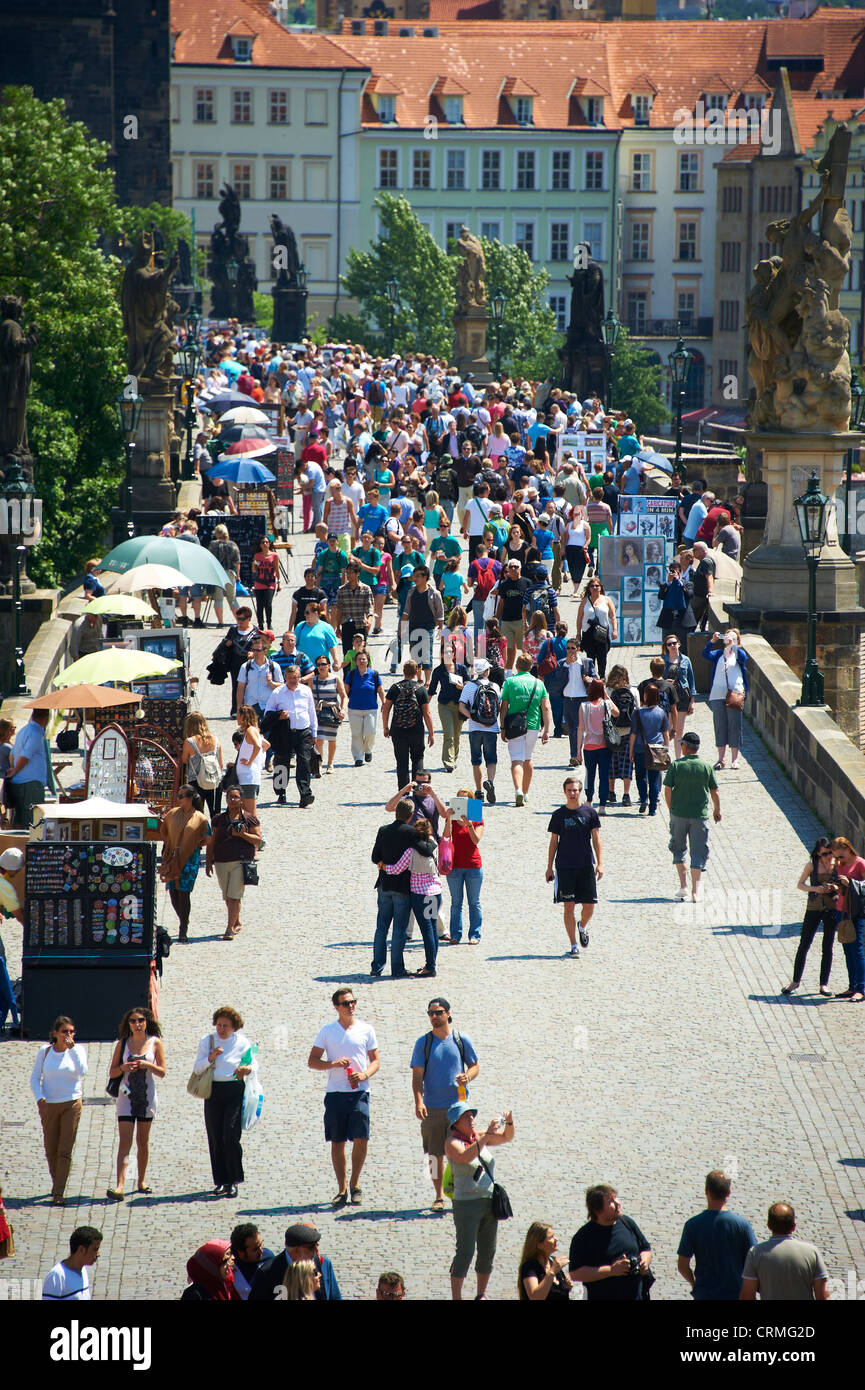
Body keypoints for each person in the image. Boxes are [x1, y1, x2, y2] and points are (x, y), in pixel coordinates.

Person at [307, 987, 380, 1207]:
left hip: (360, 1092)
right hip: (336, 1092)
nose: (351, 1006)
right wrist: (333, 1064)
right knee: (337, 1141)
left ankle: (355, 1184)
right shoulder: (327, 1031)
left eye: (353, 1002)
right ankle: (341, 1188)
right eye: (346, 1003)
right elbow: (312, 1061)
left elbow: (376, 1060)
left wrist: (365, 1074)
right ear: (336, 1007)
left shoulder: (366, 1029)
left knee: (361, 1138)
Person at [410, 998, 479, 1211]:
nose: (434, 1017)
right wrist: (419, 1102)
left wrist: (467, 1077)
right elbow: (417, 1076)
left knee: (460, 1152)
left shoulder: (461, 1039)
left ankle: (461, 1192)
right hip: (432, 1108)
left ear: (448, 1013)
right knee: (434, 1155)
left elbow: (474, 1066)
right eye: (430, 1013)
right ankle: (438, 1195)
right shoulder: (424, 1042)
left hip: (458, 1107)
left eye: (438, 1012)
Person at [445, 1100, 515, 1301]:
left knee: (487, 1251)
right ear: (456, 1122)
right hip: (466, 1204)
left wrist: (508, 1123)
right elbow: (465, 1157)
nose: (472, 1119)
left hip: (489, 1201)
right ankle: (456, 1296)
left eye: (472, 1115)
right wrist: (485, 1137)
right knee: (465, 1252)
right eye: (466, 1116)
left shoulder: (479, 1136)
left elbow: (507, 1137)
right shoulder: (451, 1142)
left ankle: (480, 1294)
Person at [189, 1006, 254, 1199]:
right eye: (219, 1025)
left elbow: (252, 1064)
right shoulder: (207, 1041)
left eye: (226, 1026)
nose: (221, 1029)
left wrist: (246, 1069)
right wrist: (211, 1057)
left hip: (234, 1089)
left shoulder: (242, 1043)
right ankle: (220, 1181)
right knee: (216, 1137)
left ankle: (234, 1180)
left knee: (230, 1134)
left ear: (234, 1027)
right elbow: (197, 1068)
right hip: (213, 1090)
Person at [105, 1007, 166, 1200]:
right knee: (125, 1141)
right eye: (133, 1021)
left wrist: (147, 1065)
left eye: (140, 1020)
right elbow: (112, 1072)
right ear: (128, 1024)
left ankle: (140, 1180)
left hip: (146, 1097)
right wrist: (123, 1067)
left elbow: (162, 1072)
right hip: (126, 1097)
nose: (137, 1024)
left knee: (142, 1141)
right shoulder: (122, 1044)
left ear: (146, 1022)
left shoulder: (155, 1043)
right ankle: (121, 1185)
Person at [30, 1015, 88, 1205]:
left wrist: (71, 1051)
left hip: (71, 1103)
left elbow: (82, 1071)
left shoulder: (78, 1051)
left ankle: (58, 1192)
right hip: (49, 1105)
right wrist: (40, 1099)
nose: (69, 1035)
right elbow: (34, 1078)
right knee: (51, 1149)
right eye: (65, 1032)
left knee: (64, 1150)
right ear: (55, 1033)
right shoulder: (45, 1052)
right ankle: (57, 1183)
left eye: (72, 1031)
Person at [677, 1171, 757, 1301]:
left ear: (706, 1190)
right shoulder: (742, 1225)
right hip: (735, 1294)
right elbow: (754, 1260)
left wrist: (694, 1283)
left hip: (704, 1294)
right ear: (728, 1193)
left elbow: (682, 1266)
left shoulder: (692, 1225)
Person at [546, 776, 602, 958]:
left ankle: (582, 926)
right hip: (564, 866)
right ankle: (573, 944)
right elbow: (553, 841)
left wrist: (600, 863)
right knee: (568, 906)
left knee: (589, 906)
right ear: (564, 792)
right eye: (569, 790)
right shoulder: (558, 815)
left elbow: (596, 838)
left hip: (586, 865)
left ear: (580, 791)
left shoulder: (590, 813)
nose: (572, 793)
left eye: (575, 790)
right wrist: (549, 867)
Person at [663, 731, 721, 903]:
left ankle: (684, 887)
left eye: (682, 744)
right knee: (698, 852)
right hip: (699, 816)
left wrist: (671, 807)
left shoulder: (677, 765)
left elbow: (667, 789)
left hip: (679, 814)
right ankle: (696, 892)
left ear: (686, 747)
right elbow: (714, 791)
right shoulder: (706, 766)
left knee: (679, 850)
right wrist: (717, 810)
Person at [568, 1185, 653, 1302]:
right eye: (611, 1201)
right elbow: (575, 1274)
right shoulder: (584, 1237)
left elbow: (646, 1249)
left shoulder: (627, 1222)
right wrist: (611, 1270)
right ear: (598, 1210)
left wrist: (645, 1262)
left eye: (616, 1197)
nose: (617, 1203)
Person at [780, 838, 839, 997]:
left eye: (831, 853)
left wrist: (835, 887)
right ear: (818, 853)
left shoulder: (837, 865)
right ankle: (795, 981)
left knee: (827, 946)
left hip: (831, 908)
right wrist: (815, 888)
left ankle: (823, 984)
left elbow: (844, 884)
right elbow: (800, 884)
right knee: (804, 943)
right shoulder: (812, 865)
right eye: (825, 854)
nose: (829, 856)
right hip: (813, 907)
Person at [740, 1204, 830, 1302]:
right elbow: (822, 1296)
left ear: (769, 1225)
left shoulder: (756, 1253)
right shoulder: (812, 1252)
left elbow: (747, 1296)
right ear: (793, 1226)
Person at [205, 785, 262, 939]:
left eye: (236, 797)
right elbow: (212, 841)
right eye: (230, 796)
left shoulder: (250, 819)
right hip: (221, 861)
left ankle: (229, 928)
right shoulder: (218, 820)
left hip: (241, 861)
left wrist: (243, 835)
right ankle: (236, 920)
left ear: (242, 800)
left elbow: (258, 840)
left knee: (235, 895)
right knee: (228, 897)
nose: (233, 799)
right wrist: (209, 860)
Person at [370, 797, 417, 978]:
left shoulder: (383, 830)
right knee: (399, 929)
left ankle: (377, 967)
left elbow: (375, 857)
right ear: (411, 816)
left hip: (384, 884)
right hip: (402, 887)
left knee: (381, 928)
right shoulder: (411, 832)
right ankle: (397, 968)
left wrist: (382, 864)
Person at [262, 663, 318, 808]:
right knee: (282, 762)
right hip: (284, 732)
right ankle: (281, 792)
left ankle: (305, 794)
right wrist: (279, 716)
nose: (294, 680)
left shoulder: (306, 691)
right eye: (291, 677)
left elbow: (312, 712)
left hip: (303, 732)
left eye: (296, 677)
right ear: (285, 677)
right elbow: (267, 713)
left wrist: (314, 732)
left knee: (304, 763)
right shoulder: (277, 693)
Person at [159, 786, 210, 942]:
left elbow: (208, 838)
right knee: (173, 891)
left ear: (190, 798)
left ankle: (183, 928)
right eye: (178, 795)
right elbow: (164, 831)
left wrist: (205, 856)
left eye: (181, 796)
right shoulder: (172, 814)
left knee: (184, 891)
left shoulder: (200, 818)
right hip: (172, 856)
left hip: (190, 858)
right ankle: (183, 919)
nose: (178, 798)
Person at [500, 653, 550, 806]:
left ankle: (518, 790)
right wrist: (547, 729)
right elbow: (546, 708)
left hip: (514, 725)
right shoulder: (539, 683)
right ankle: (526, 793)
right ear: (530, 667)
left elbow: (503, 707)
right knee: (528, 759)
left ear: (516, 666)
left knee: (516, 759)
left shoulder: (509, 682)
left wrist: (502, 727)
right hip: (533, 725)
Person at [249, 1223, 342, 1302]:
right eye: (311, 1247)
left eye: (316, 1245)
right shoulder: (268, 1273)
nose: (316, 1250)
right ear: (296, 1250)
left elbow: (334, 1296)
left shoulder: (320, 1262)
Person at [382, 659, 435, 787]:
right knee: (418, 758)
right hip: (416, 730)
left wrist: (386, 727)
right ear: (417, 672)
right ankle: (418, 790)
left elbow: (386, 709)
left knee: (401, 762)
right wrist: (431, 733)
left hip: (398, 730)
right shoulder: (421, 689)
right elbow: (427, 714)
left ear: (403, 671)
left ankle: (403, 793)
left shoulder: (395, 688)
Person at [703, 629, 748, 770]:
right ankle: (721, 759)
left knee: (734, 725)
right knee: (720, 725)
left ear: (737, 642)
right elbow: (705, 654)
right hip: (717, 694)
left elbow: (744, 658)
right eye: (727, 637)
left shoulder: (738, 655)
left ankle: (735, 759)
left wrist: (733, 645)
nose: (728, 639)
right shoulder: (718, 655)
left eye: (732, 638)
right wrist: (712, 641)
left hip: (734, 694)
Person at [458, 657, 500, 805]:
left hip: (475, 729)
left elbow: (461, 707)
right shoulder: (495, 686)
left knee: (476, 761)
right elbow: (498, 706)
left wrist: (474, 718)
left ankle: (478, 791)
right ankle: (490, 782)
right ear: (487, 671)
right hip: (491, 728)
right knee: (491, 760)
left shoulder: (469, 686)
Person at [829, 835, 865, 1003]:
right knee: (847, 951)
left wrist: (850, 882)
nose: (838, 860)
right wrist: (835, 886)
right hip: (841, 910)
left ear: (848, 849)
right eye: (836, 857)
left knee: (857, 950)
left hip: (856, 913)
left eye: (840, 856)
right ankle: (852, 986)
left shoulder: (860, 863)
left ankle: (861, 988)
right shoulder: (840, 865)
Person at [575, 678, 618, 814]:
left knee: (590, 775)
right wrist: (606, 695)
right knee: (604, 775)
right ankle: (603, 805)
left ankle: (588, 800)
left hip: (589, 746)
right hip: (605, 745)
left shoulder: (584, 706)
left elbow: (580, 729)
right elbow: (617, 712)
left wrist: (578, 751)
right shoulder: (606, 704)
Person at [628, 683, 671, 818]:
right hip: (657, 749)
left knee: (640, 776)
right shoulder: (662, 712)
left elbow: (633, 734)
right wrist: (666, 750)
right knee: (653, 779)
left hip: (641, 749)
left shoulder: (638, 713)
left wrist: (630, 751)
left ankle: (643, 799)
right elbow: (666, 734)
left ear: (645, 696)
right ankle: (652, 808)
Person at [236, 638, 283, 759]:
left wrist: (271, 683)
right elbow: (240, 687)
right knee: (251, 732)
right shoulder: (245, 667)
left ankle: (268, 759)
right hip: (251, 705)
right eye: (254, 649)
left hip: (267, 704)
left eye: (259, 650)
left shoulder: (273, 666)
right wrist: (238, 707)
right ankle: (253, 756)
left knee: (268, 733)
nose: (256, 652)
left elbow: (281, 685)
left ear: (265, 650)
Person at [7, 707, 54, 828]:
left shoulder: (24, 730)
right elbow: (25, 755)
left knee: (19, 820)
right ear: (47, 718)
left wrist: (13, 769)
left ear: (33, 714)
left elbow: (12, 754)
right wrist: (16, 770)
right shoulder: (36, 733)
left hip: (19, 782)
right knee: (33, 823)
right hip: (31, 784)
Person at [402, 565, 445, 685]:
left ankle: (428, 681)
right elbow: (406, 611)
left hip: (428, 627)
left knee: (426, 653)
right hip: (413, 627)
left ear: (425, 577)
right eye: (414, 576)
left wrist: (441, 630)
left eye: (417, 576)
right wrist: (402, 629)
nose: (414, 578)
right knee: (415, 653)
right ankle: (419, 679)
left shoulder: (434, 593)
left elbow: (440, 613)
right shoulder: (411, 592)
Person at [429, 648, 468, 773]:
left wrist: (463, 687)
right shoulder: (438, 671)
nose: (448, 654)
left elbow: (470, 684)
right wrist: (424, 707)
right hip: (444, 705)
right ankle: (448, 762)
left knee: (457, 735)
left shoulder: (461, 668)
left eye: (450, 652)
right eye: (445, 652)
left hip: (459, 705)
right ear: (441, 655)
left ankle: (453, 759)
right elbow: (431, 690)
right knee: (449, 734)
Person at [345, 649, 385, 765]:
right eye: (359, 659)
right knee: (356, 734)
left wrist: (384, 702)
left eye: (364, 659)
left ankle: (368, 750)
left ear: (368, 661)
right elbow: (346, 690)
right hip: (354, 709)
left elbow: (380, 690)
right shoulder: (351, 674)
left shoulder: (374, 674)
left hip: (370, 708)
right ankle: (358, 757)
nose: (362, 661)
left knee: (370, 732)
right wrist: (343, 704)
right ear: (356, 661)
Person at [309, 654, 347, 775]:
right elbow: (309, 697)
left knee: (332, 739)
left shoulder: (336, 679)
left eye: (324, 664)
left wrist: (343, 710)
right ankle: (319, 764)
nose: (321, 666)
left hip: (332, 712)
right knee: (318, 740)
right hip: (318, 712)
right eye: (319, 664)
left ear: (328, 665)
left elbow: (344, 696)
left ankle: (330, 763)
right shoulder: (313, 680)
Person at [605, 663, 637, 806]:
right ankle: (626, 795)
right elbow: (637, 710)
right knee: (627, 762)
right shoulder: (633, 691)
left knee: (611, 763)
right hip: (628, 732)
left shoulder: (608, 690)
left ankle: (611, 793)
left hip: (612, 731)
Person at [42, 1226, 102, 1301]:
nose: (98, 1254)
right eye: (95, 1249)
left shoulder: (83, 1270)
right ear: (81, 1250)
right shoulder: (57, 1276)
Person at [181, 712, 224, 816]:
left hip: (196, 781)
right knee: (216, 814)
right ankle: (215, 832)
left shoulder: (189, 742)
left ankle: (201, 832)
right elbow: (220, 764)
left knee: (197, 815)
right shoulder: (215, 739)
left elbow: (184, 760)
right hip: (214, 781)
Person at [519, 1223, 573, 1301]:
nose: (556, 1239)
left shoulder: (553, 1261)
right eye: (551, 1237)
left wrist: (567, 1287)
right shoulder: (530, 1266)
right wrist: (552, 1272)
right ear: (539, 1245)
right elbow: (535, 1297)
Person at [662, 635, 696, 758]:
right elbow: (657, 678)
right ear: (666, 647)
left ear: (679, 644)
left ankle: (678, 759)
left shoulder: (686, 660)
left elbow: (691, 681)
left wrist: (692, 700)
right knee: (668, 729)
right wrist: (665, 682)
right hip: (668, 697)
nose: (672, 646)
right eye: (669, 644)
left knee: (679, 730)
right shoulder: (663, 660)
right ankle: (664, 757)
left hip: (682, 697)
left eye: (674, 643)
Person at [223, 606, 260, 718]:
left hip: (250, 663)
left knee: (250, 685)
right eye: (238, 618)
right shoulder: (233, 629)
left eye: (242, 619)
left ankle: (249, 709)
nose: (239, 621)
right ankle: (235, 709)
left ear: (248, 618)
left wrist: (253, 653)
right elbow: (225, 642)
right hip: (235, 662)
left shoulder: (255, 631)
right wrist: (227, 643)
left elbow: (259, 645)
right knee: (237, 685)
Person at [577, 578, 617, 678]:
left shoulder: (606, 600)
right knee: (590, 658)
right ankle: (591, 679)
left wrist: (615, 630)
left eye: (597, 586)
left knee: (602, 658)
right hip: (588, 633)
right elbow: (579, 618)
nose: (595, 588)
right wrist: (578, 633)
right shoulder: (585, 600)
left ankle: (602, 677)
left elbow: (612, 616)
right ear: (589, 588)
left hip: (602, 633)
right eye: (592, 586)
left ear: (600, 587)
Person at [495, 559, 531, 670]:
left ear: (520, 568)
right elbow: (501, 603)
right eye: (511, 567)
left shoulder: (527, 583)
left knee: (525, 649)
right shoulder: (504, 584)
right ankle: (509, 673)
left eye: (515, 566)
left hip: (522, 621)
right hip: (507, 621)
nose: (513, 569)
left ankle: (526, 671)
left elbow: (531, 603)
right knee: (509, 649)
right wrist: (496, 619)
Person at [332, 560, 374, 653]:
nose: (348, 575)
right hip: (347, 625)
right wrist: (338, 627)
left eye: (351, 572)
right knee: (347, 653)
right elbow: (339, 610)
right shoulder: (341, 590)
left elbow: (369, 608)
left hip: (361, 624)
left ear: (357, 573)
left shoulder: (366, 589)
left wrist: (369, 620)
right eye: (347, 572)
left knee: (361, 653)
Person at [235, 705, 267, 815]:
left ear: (243, 716)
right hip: (247, 777)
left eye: (238, 715)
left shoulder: (250, 730)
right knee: (246, 811)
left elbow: (258, 746)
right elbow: (266, 745)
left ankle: (256, 832)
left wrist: (250, 761)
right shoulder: (254, 730)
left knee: (250, 811)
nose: (237, 718)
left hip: (249, 777)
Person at [229, 1223, 274, 1301]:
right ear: (241, 1252)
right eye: (255, 1249)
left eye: (261, 1244)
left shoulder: (268, 1257)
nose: (261, 1250)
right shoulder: (229, 1264)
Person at [208, 523, 241, 625]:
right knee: (232, 599)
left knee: (218, 599)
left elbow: (210, 560)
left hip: (217, 573)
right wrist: (238, 575)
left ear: (218, 533)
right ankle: (240, 621)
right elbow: (237, 562)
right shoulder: (233, 545)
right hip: (230, 573)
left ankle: (220, 622)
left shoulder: (213, 544)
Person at [295, 600, 339, 667]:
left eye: (307, 612)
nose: (305, 615)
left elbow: (332, 646)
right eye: (305, 612)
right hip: (302, 666)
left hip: (320, 666)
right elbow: (293, 644)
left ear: (315, 613)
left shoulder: (326, 627)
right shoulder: (300, 626)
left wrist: (336, 661)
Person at [251, 535, 280, 631]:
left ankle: (269, 622)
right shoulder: (257, 556)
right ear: (260, 545)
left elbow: (277, 569)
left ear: (269, 544)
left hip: (270, 583)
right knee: (259, 604)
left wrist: (279, 582)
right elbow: (254, 570)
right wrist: (254, 564)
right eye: (262, 542)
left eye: (266, 542)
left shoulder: (274, 555)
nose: (264, 544)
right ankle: (260, 624)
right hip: (259, 583)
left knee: (268, 603)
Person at [689, 541, 716, 631]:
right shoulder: (703, 561)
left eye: (695, 550)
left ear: (702, 551)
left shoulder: (706, 561)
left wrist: (710, 591)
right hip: (698, 596)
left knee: (691, 619)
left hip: (700, 597)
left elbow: (709, 576)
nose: (693, 551)